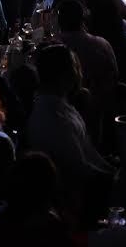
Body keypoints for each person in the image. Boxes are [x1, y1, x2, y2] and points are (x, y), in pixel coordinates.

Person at [27, 45, 112, 187]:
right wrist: (114, 179)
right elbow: (79, 169)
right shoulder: (54, 118)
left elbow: (89, 153)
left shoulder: (60, 104)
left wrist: (111, 170)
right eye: (74, 67)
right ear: (63, 74)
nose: (79, 73)